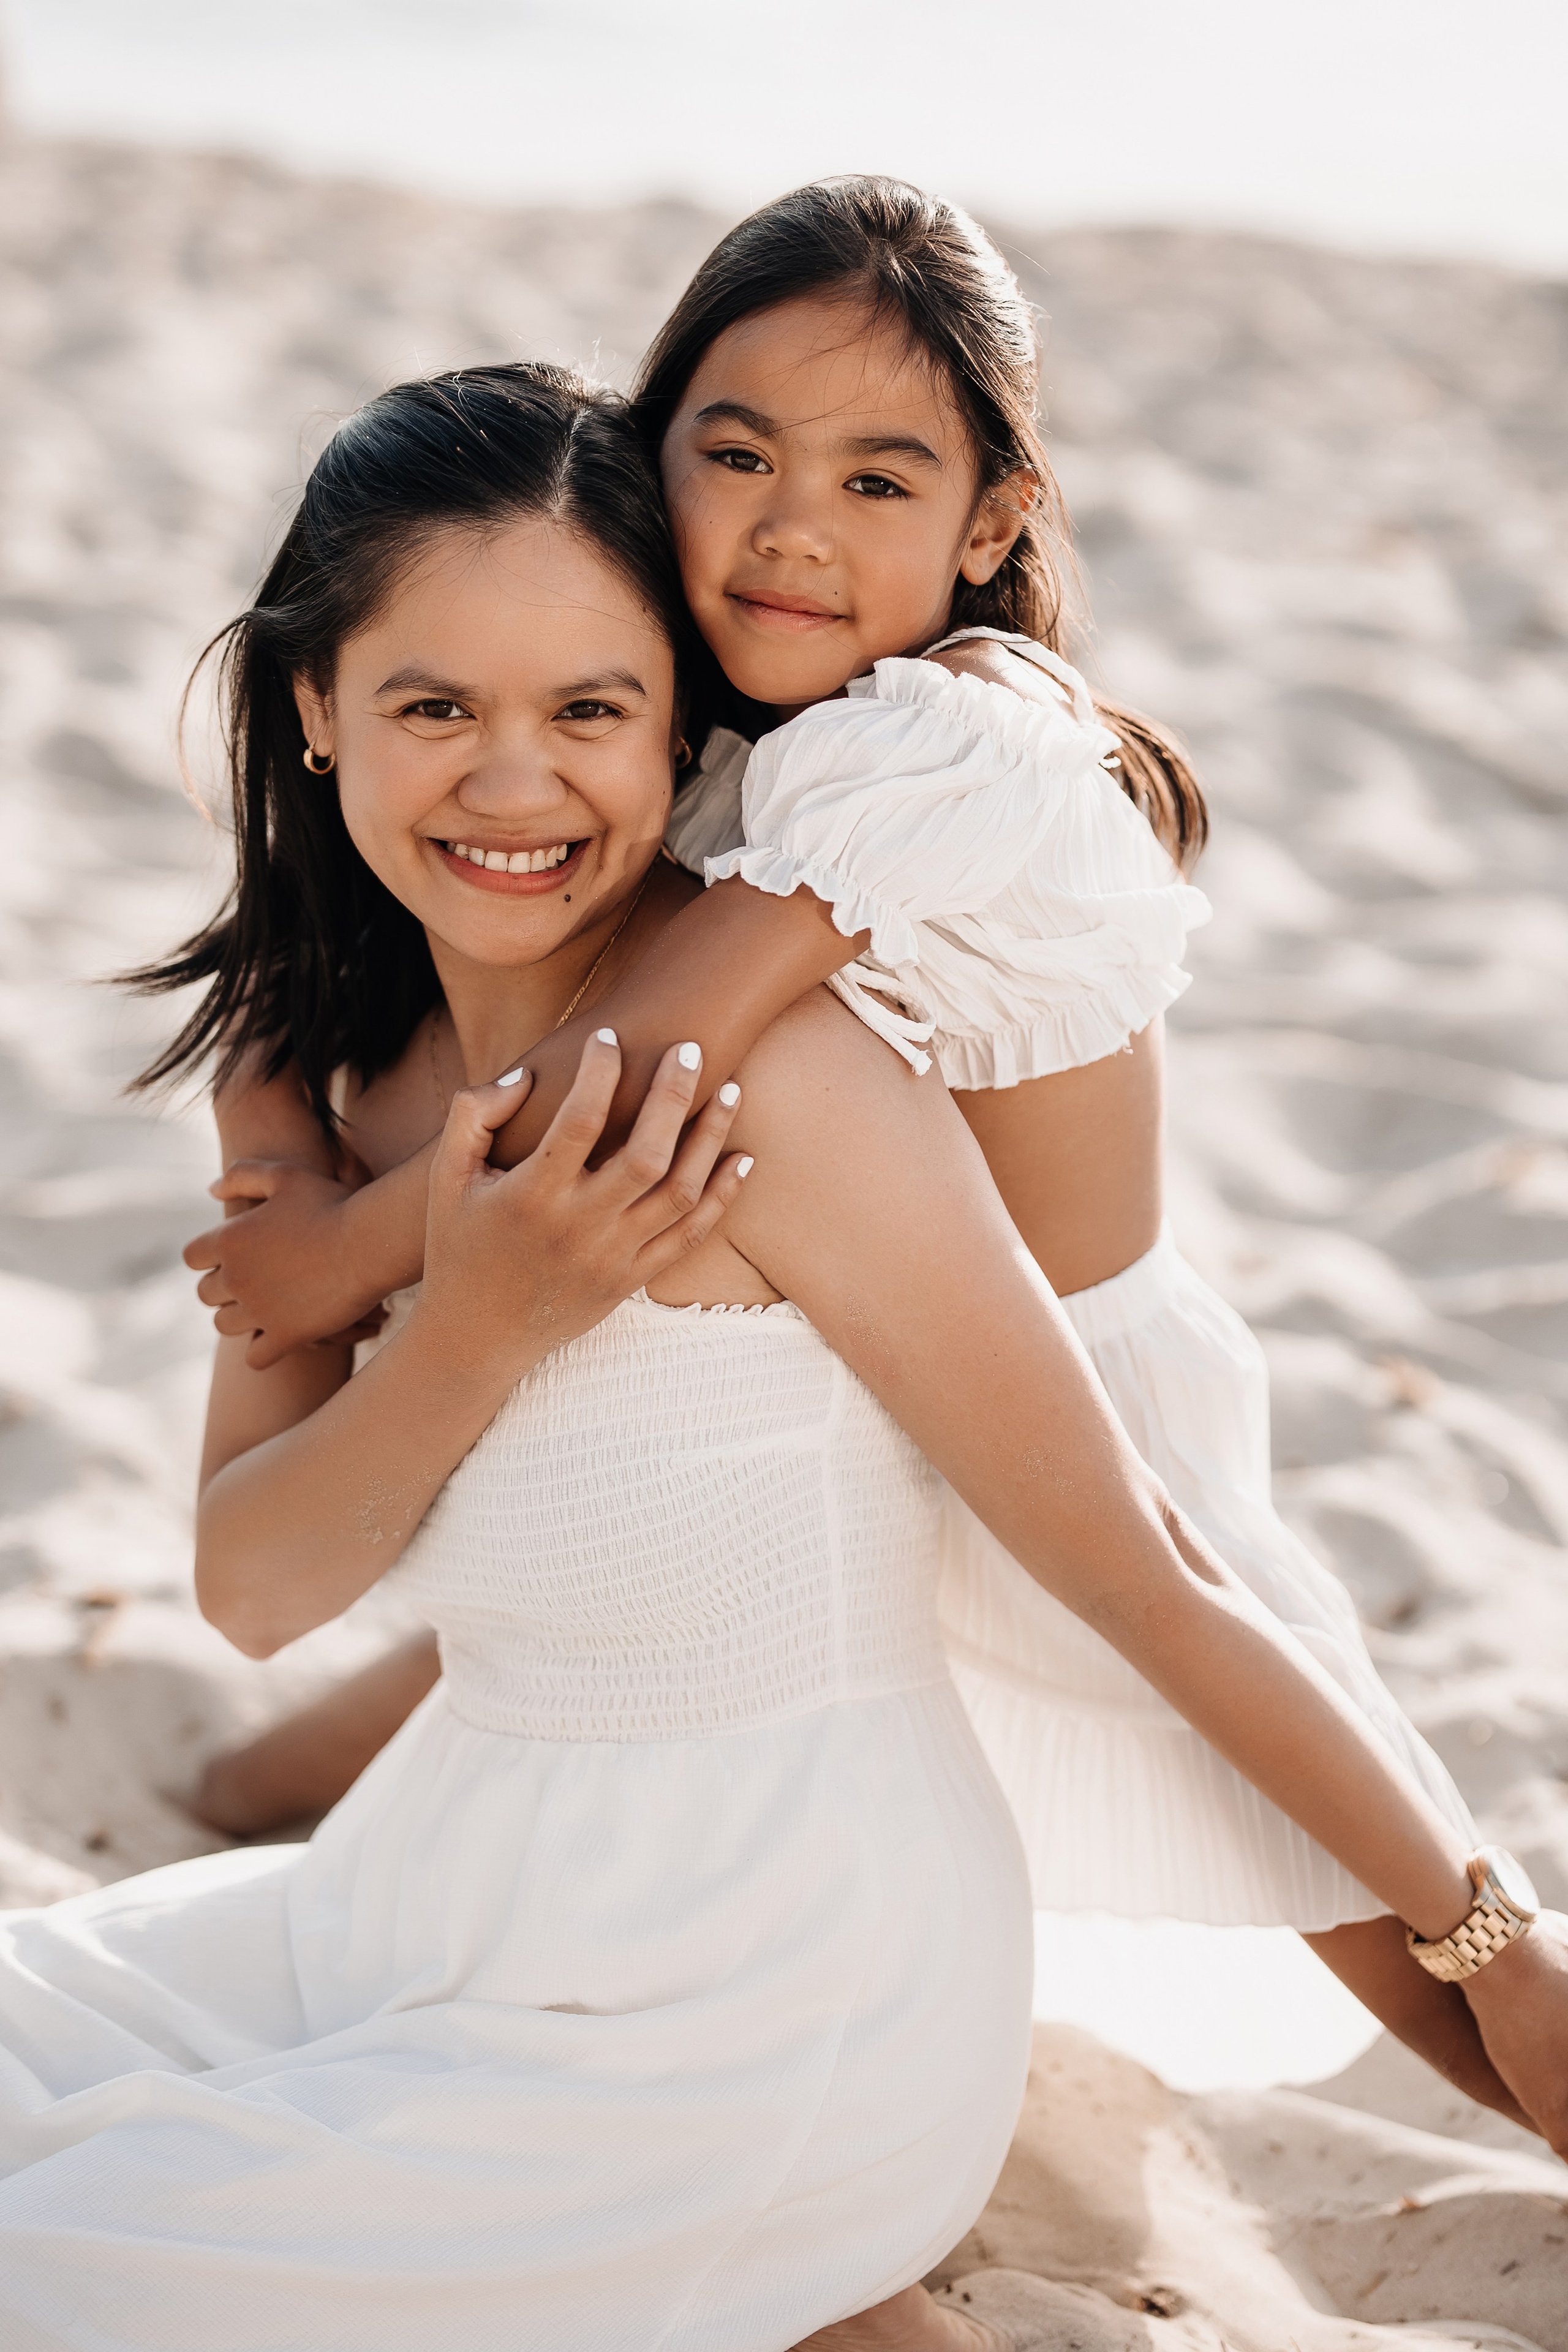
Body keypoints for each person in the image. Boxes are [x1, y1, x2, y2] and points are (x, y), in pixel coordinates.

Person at [4, 361, 1562, 2352]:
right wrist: (477, 1322)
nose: (513, 783)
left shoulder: (789, 1086)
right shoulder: (321, 1072)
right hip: (427, 1896)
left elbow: (1133, 1569)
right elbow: (255, 1583)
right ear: (316, 714)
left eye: (590, 709)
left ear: (682, 720)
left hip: (771, 1986)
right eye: (431, 707)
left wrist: (1490, 1943)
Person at [184, 180, 1520, 2090]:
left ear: (992, 524)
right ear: (659, 458)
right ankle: (256, 1786)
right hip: (834, 1368)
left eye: (880, 484)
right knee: (473, 1655)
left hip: (1058, 1382)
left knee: (1318, 1869)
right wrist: (263, 1095)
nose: (795, 529)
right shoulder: (717, 715)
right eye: (738, 456)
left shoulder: (943, 737)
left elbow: (634, 1055)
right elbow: (337, 940)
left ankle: (1516, 2022)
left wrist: (328, 1245)